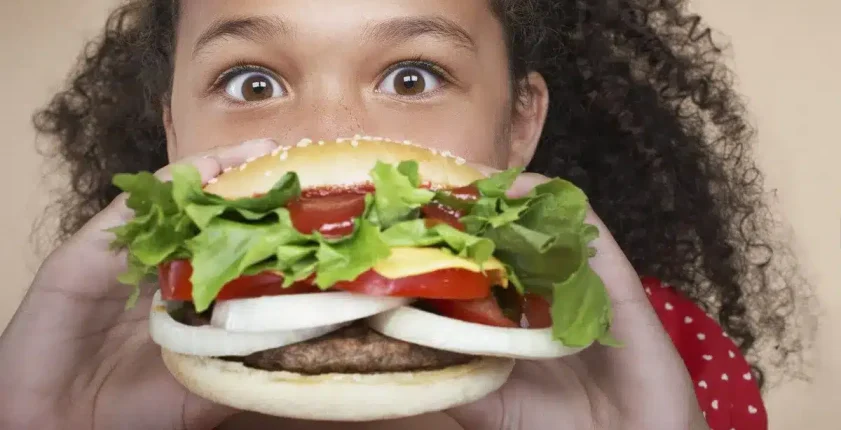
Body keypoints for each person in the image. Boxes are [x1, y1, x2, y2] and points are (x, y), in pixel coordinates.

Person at [0, 0, 799, 428]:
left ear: (519, 124)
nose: (324, 133)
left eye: (412, 77)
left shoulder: (669, 362)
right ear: (175, 129)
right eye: (251, 82)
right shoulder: (87, 375)